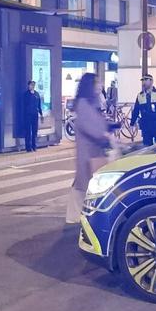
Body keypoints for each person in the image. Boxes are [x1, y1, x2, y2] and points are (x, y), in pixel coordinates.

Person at [69, 73, 112, 224]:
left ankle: (76, 217)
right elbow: (89, 127)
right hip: (88, 153)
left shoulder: (91, 102)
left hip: (93, 151)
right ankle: (75, 218)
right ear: (90, 85)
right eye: (97, 83)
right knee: (84, 186)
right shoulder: (84, 104)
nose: (100, 85)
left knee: (84, 185)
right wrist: (105, 135)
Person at [130, 74, 156, 147]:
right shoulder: (140, 95)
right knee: (147, 146)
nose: (143, 82)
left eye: (146, 80)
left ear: (151, 81)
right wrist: (132, 123)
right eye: (142, 80)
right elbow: (136, 110)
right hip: (146, 124)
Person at [19, 81, 44, 152]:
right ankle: (28, 147)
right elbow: (23, 105)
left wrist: (41, 114)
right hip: (27, 115)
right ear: (28, 86)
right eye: (30, 85)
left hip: (35, 115)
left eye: (33, 85)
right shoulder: (26, 94)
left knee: (34, 131)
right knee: (28, 131)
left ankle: (34, 146)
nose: (31, 86)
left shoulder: (37, 94)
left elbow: (39, 105)